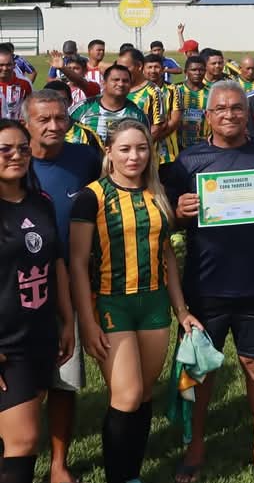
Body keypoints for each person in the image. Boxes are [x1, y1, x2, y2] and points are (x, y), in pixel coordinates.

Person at [166, 80, 254, 483]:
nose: (229, 115)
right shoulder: (189, 161)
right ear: (208, 115)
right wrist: (180, 209)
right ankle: (196, 444)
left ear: (248, 112)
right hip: (206, 285)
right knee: (203, 370)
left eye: (236, 108)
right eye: (220, 109)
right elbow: (165, 217)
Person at [68, 120, 202, 483]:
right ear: (108, 152)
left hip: (155, 303)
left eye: (141, 148)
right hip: (112, 305)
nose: (134, 156)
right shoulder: (91, 196)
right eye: (125, 149)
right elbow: (78, 264)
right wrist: (89, 321)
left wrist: (182, 310)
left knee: (143, 395)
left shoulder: (157, 193)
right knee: (125, 396)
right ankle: (119, 476)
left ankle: (132, 473)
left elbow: (167, 256)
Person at [23, 90, 100, 483]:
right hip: (19, 291)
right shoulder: (12, 163)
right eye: (43, 120)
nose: (54, 126)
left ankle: (58, 464)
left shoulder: (86, 159)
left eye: (60, 118)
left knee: (64, 381)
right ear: (27, 124)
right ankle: (16, 457)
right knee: (20, 385)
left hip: (72, 285)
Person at [0, 119, 76, 483]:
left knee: (16, 438)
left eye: (22, 148)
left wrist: (67, 320)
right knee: (23, 439)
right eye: (5, 149)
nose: (16, 155)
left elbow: (56, 262)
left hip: (40, 333)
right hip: (5, 342)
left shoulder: (39, 201)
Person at [69, 65, 149, 142]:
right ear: (104, 83)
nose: (121, 84)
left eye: (125, 81)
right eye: (116, 80)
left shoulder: (137, 114)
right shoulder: (82, 109)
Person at [118, 48, 167, 142]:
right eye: (119, 68)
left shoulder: (153, 91)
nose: (121, 72)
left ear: (139, 66)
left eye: (125, 68)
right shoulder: (119, 89)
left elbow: (157, 127)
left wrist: (137, 147)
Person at [144, 54, 182, 169]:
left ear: (163, 69)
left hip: (168, 152)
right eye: (149, 67)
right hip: (143, 149)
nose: (153, 70)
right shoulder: (138, 90)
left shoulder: (173, 90)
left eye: (156, 67)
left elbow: (175, 120)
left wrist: (154, 137)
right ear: (143, 69)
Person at [173, 56, 210, 150]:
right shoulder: (174, 90)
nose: (197, 73)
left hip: (205, 146)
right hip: (178, 146)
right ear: (186, 72)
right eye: (193, 70)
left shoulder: (212, 92)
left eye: (201, 70)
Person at [0, 46, 33, 120]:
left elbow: (31, 107)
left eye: (8, 65)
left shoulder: (25, 83)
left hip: (17, 128)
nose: (5, 68)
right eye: (1, 65)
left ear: (14, 65)